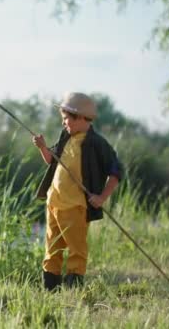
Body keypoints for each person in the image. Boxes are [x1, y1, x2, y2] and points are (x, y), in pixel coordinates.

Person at [32, 92, 123, 290]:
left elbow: (116, 171)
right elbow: (51, 161)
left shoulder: (96, 143)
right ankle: (50, 289)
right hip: (54, 202)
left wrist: (101, 197)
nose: (64, 124)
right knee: (52, 248)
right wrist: (42, 147)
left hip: (75, 207)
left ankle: (73, 290)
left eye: (66, 119)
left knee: (76, 250)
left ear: (82, 118)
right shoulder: (65, 137)